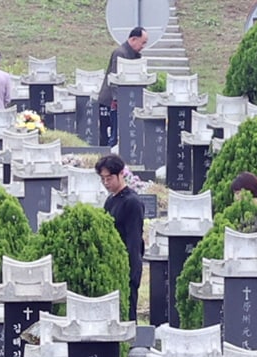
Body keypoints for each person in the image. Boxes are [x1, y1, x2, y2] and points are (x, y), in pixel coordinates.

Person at [97, 153, 145, 320]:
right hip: (112, 262)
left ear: (120, 175)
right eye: (102, 179)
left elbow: (134, 239)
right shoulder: (110, 201)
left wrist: (132, 270)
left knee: (127, 311)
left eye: (109, 178)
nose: (105, 183)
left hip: (127, 263)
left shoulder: (132, 202)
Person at [97, 26, 147, 148]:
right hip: (111, 103)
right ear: (134, 39)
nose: (144, 46)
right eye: (143, 42)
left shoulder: (136, 56)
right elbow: (115, 79)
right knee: (112, 136)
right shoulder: (120, 53)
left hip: (127, 102)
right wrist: (117, 100)